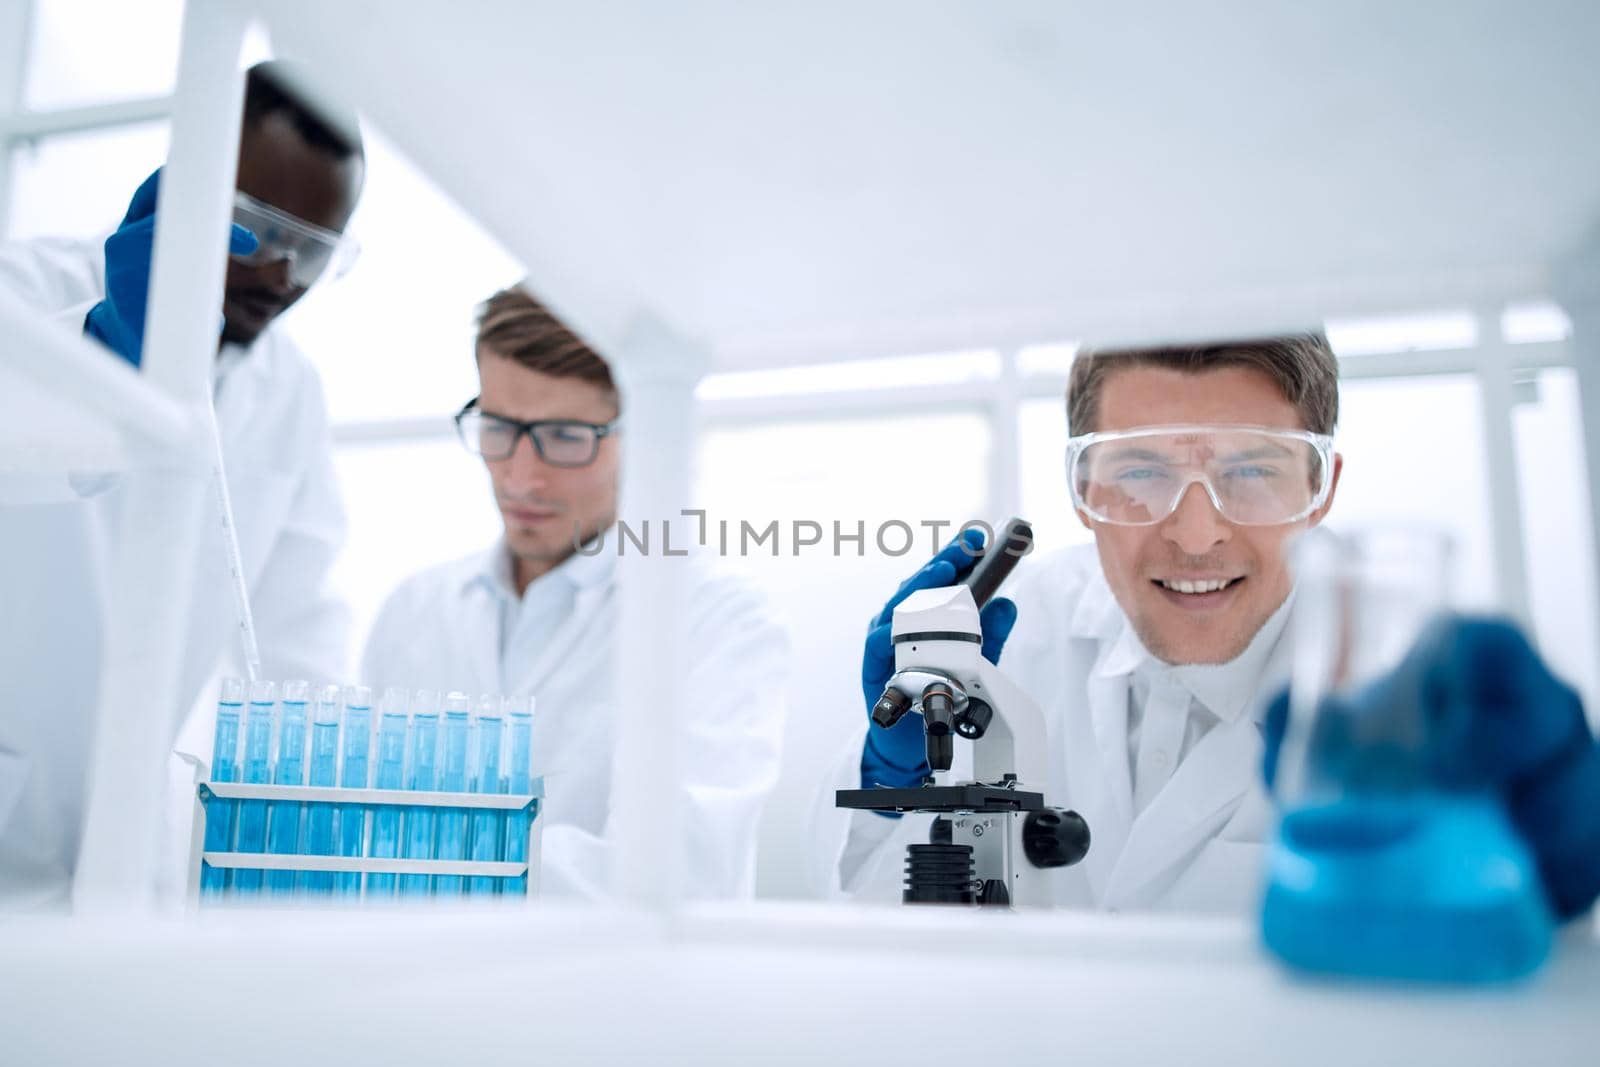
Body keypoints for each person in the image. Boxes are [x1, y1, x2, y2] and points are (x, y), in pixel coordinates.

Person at [816, 334, 1600, 920]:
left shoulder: (1410, 688)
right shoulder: (1008, 641)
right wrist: (895, 799)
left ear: (1320, 489)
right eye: (1140, 471)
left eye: (1252, 471)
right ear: (1083, 488)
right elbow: (886, 933)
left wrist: (1547, 870)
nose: (1195, 534)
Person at [0, 61, 365, 906]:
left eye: (311, 251)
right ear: (184, 182)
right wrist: (100, 356)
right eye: (253, 229)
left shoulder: (289, 388)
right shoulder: (31, 292)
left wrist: (315, 800)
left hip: (117, 847)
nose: (279, 277)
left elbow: (297, 630)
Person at [361, 285, 788, 899]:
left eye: (564, 437)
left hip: (613, 989)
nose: (521, 476)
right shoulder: (414, 609)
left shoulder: (720, 616)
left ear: (642, 431)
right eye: (499, 427)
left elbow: (677, 875)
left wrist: (411, 856)